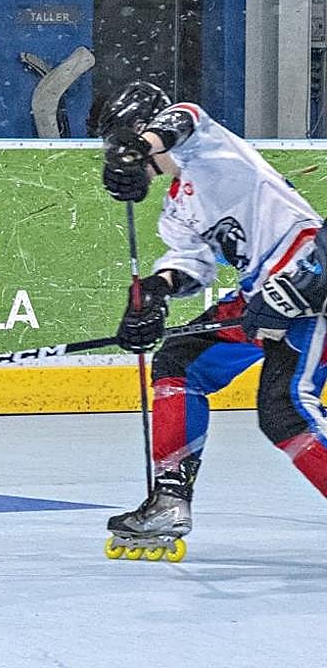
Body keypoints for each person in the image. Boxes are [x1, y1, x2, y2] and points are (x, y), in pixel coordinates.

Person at [99, 81, 325, 558]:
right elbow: (192, 266)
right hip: (260, 295)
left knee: (286, 410)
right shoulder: (178, 204)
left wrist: (140, 146)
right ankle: (170, 498)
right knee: (178, 361)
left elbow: (185, 115)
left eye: (122, 143)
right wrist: (156, 293)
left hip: (310, 281)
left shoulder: (212, 150)